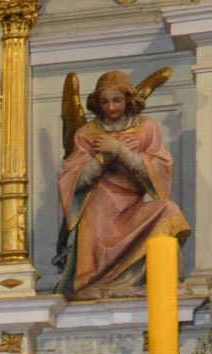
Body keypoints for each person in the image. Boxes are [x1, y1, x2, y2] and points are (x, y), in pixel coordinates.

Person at [55, 70, 190, 299]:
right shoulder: (87, 133)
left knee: (169, 210)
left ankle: (150, 280)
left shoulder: (146, 128)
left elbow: (160, 171)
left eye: (117, 100)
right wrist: (103, 158)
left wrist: (122, 152)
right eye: (104, 102)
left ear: (128, 99)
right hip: (99, 209)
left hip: (132, 208)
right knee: (93, 224)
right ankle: (97, 281)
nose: (111, 107)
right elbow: (73, 180)